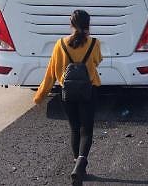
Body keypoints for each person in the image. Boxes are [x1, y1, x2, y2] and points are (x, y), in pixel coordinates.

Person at [33, 10, 103, 185]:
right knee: (87, 130)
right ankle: (80, 166)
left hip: (67, 93)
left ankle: (77, 166)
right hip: (89, 91)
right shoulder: (94, 43)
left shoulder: (60, 44)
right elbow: (97, 61)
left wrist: (39, 97)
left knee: (74, 129)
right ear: (88, 25)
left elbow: (51, 72)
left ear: (71, 24)